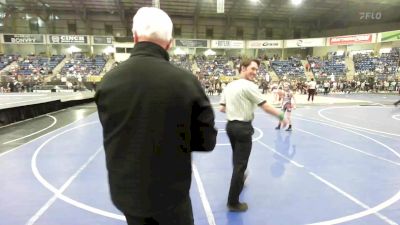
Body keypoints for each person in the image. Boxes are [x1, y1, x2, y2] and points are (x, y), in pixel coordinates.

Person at [95, 7, 217, 225]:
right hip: (171, 197)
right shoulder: (186, 82)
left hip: (128, 196)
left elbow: (114, 132)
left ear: (134, 37)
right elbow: (207, 142)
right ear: (170, 43)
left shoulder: (108, 82)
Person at [219, 58, 288, 212]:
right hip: (243, 128)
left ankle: (240, 177)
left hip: (230, 126)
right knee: (240, 165)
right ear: (243, 68)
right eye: (253, 68)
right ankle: (233, 202)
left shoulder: (229, 85)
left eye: (257, 69)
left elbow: (222, 109)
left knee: (237, 160)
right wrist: (282, 116)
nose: (255, 72)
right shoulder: (249, 86)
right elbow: (265, 106)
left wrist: (237, 105)